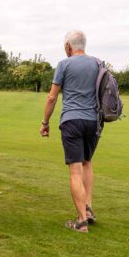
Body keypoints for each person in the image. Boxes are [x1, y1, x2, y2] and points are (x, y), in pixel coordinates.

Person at [40, 30, 100, 233]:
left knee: (75, 169)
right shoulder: (97, 63)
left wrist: (45, 121)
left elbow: (52, 97)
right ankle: (89, 209)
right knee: (87, 162)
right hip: (93, 121)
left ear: (68, 46)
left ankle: (81, 221)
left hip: (72, 120)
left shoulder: (64, 65)